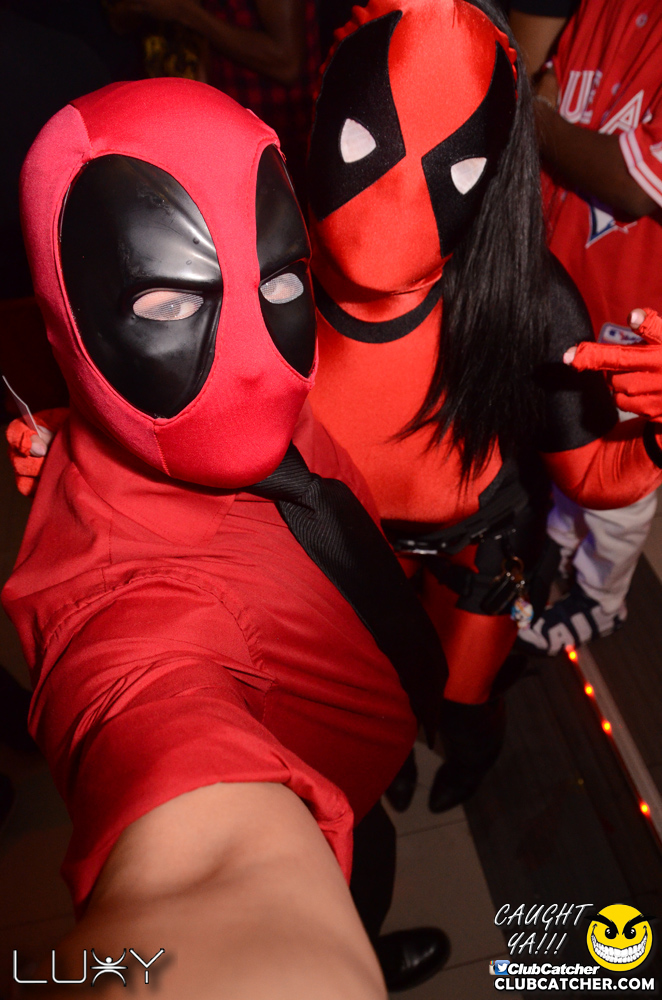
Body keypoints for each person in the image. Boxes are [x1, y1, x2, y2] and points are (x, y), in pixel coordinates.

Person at [1, 77, 450, 997]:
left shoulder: (253, 406)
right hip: (303, 795)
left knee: (371, 856)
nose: (254, 365)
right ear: (66, 330)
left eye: (278, 280)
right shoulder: (129, 619)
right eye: (168, 303)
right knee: (349, 878)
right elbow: (198, 853)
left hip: (366, 739)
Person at [304, 0, 662, 812]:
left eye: (452, 169)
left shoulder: (527, 298)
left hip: (476, 554)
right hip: (341, 549)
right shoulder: (271, 266)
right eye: (364, 147)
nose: (393, 199)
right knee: (368, 694)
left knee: (465, 702)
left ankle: (469, 758)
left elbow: (596, 475)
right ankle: (393, 759)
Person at [513, 0, 662, 655]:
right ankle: (562, 540)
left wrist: (539, 116)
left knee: (621, 486)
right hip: (568, 280)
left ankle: (604, 600)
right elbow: (539, 79)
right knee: (569, 440)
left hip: (640, 318)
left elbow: (634, 183)